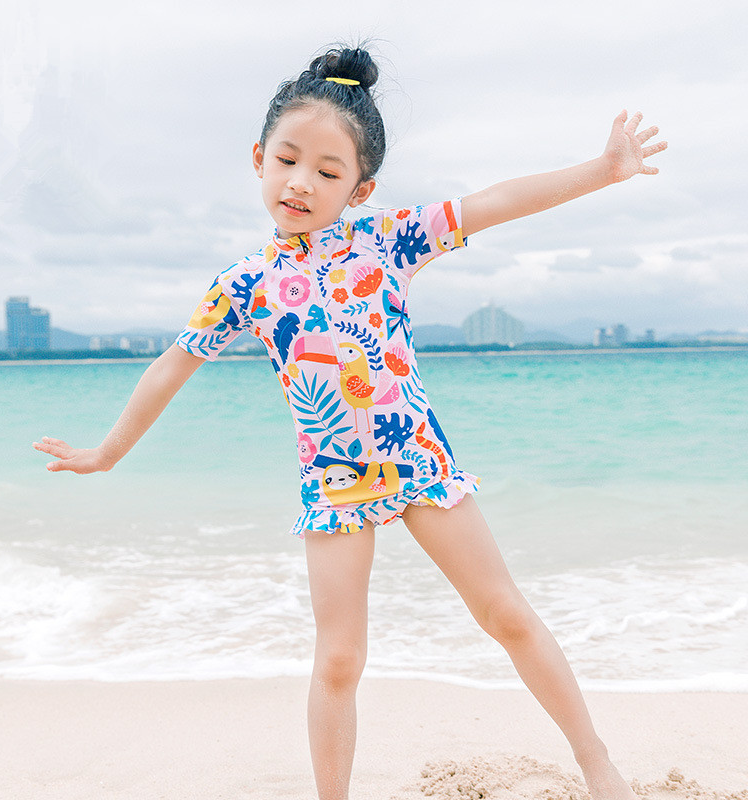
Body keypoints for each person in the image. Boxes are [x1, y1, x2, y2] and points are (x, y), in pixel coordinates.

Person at [33, 45, 666, 800]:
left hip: (419, 460)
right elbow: (173, 364)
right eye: (287, 160)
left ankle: (597, 763)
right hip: (332, 485)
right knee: (338, 659)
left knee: (506, 614)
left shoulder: (387, 242)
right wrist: (107, 452)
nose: (301, 182)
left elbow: (492, 203)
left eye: (328, 172)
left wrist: (603, 169)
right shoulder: (244, 283)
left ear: (360, 188)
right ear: (259, 159)